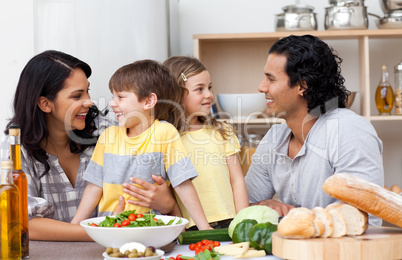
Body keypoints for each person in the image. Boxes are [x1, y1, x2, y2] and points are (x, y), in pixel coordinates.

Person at [3, 50, 172, 241]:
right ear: (45, 104)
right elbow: (25, 223)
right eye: (77, 96)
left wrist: (167, 203)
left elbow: (149, 188)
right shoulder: (15, 151)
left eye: (87, 91)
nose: (89, 102)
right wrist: (107, 231)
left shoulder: (106, 133)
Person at [244, 35, 384, 226]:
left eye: (271, 79)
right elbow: (245, 204)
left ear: (303, 85)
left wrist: (293, 218)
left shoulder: (347, 130)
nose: (262, 87)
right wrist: (262, 205)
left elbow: (360, 219)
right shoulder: (274, 138)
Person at [70, 60, 212, 230]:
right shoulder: (108, 136)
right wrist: (74, 226)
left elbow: (182, 183)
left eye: (120, 97)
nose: (112, 103)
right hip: (111, 230)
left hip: (152, 229)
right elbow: (94, 186)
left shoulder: (165, 133)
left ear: (148, 101)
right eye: (113, 96)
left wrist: (204, 228)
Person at [162, 56, 249, 230]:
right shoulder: (166, 139)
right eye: (199, 89)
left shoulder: (222, 131)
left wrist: (243, 222)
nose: (209, 94)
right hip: (192, 227)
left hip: (231, 222)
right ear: (176, 95)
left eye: (209, 88)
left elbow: (237, 181)